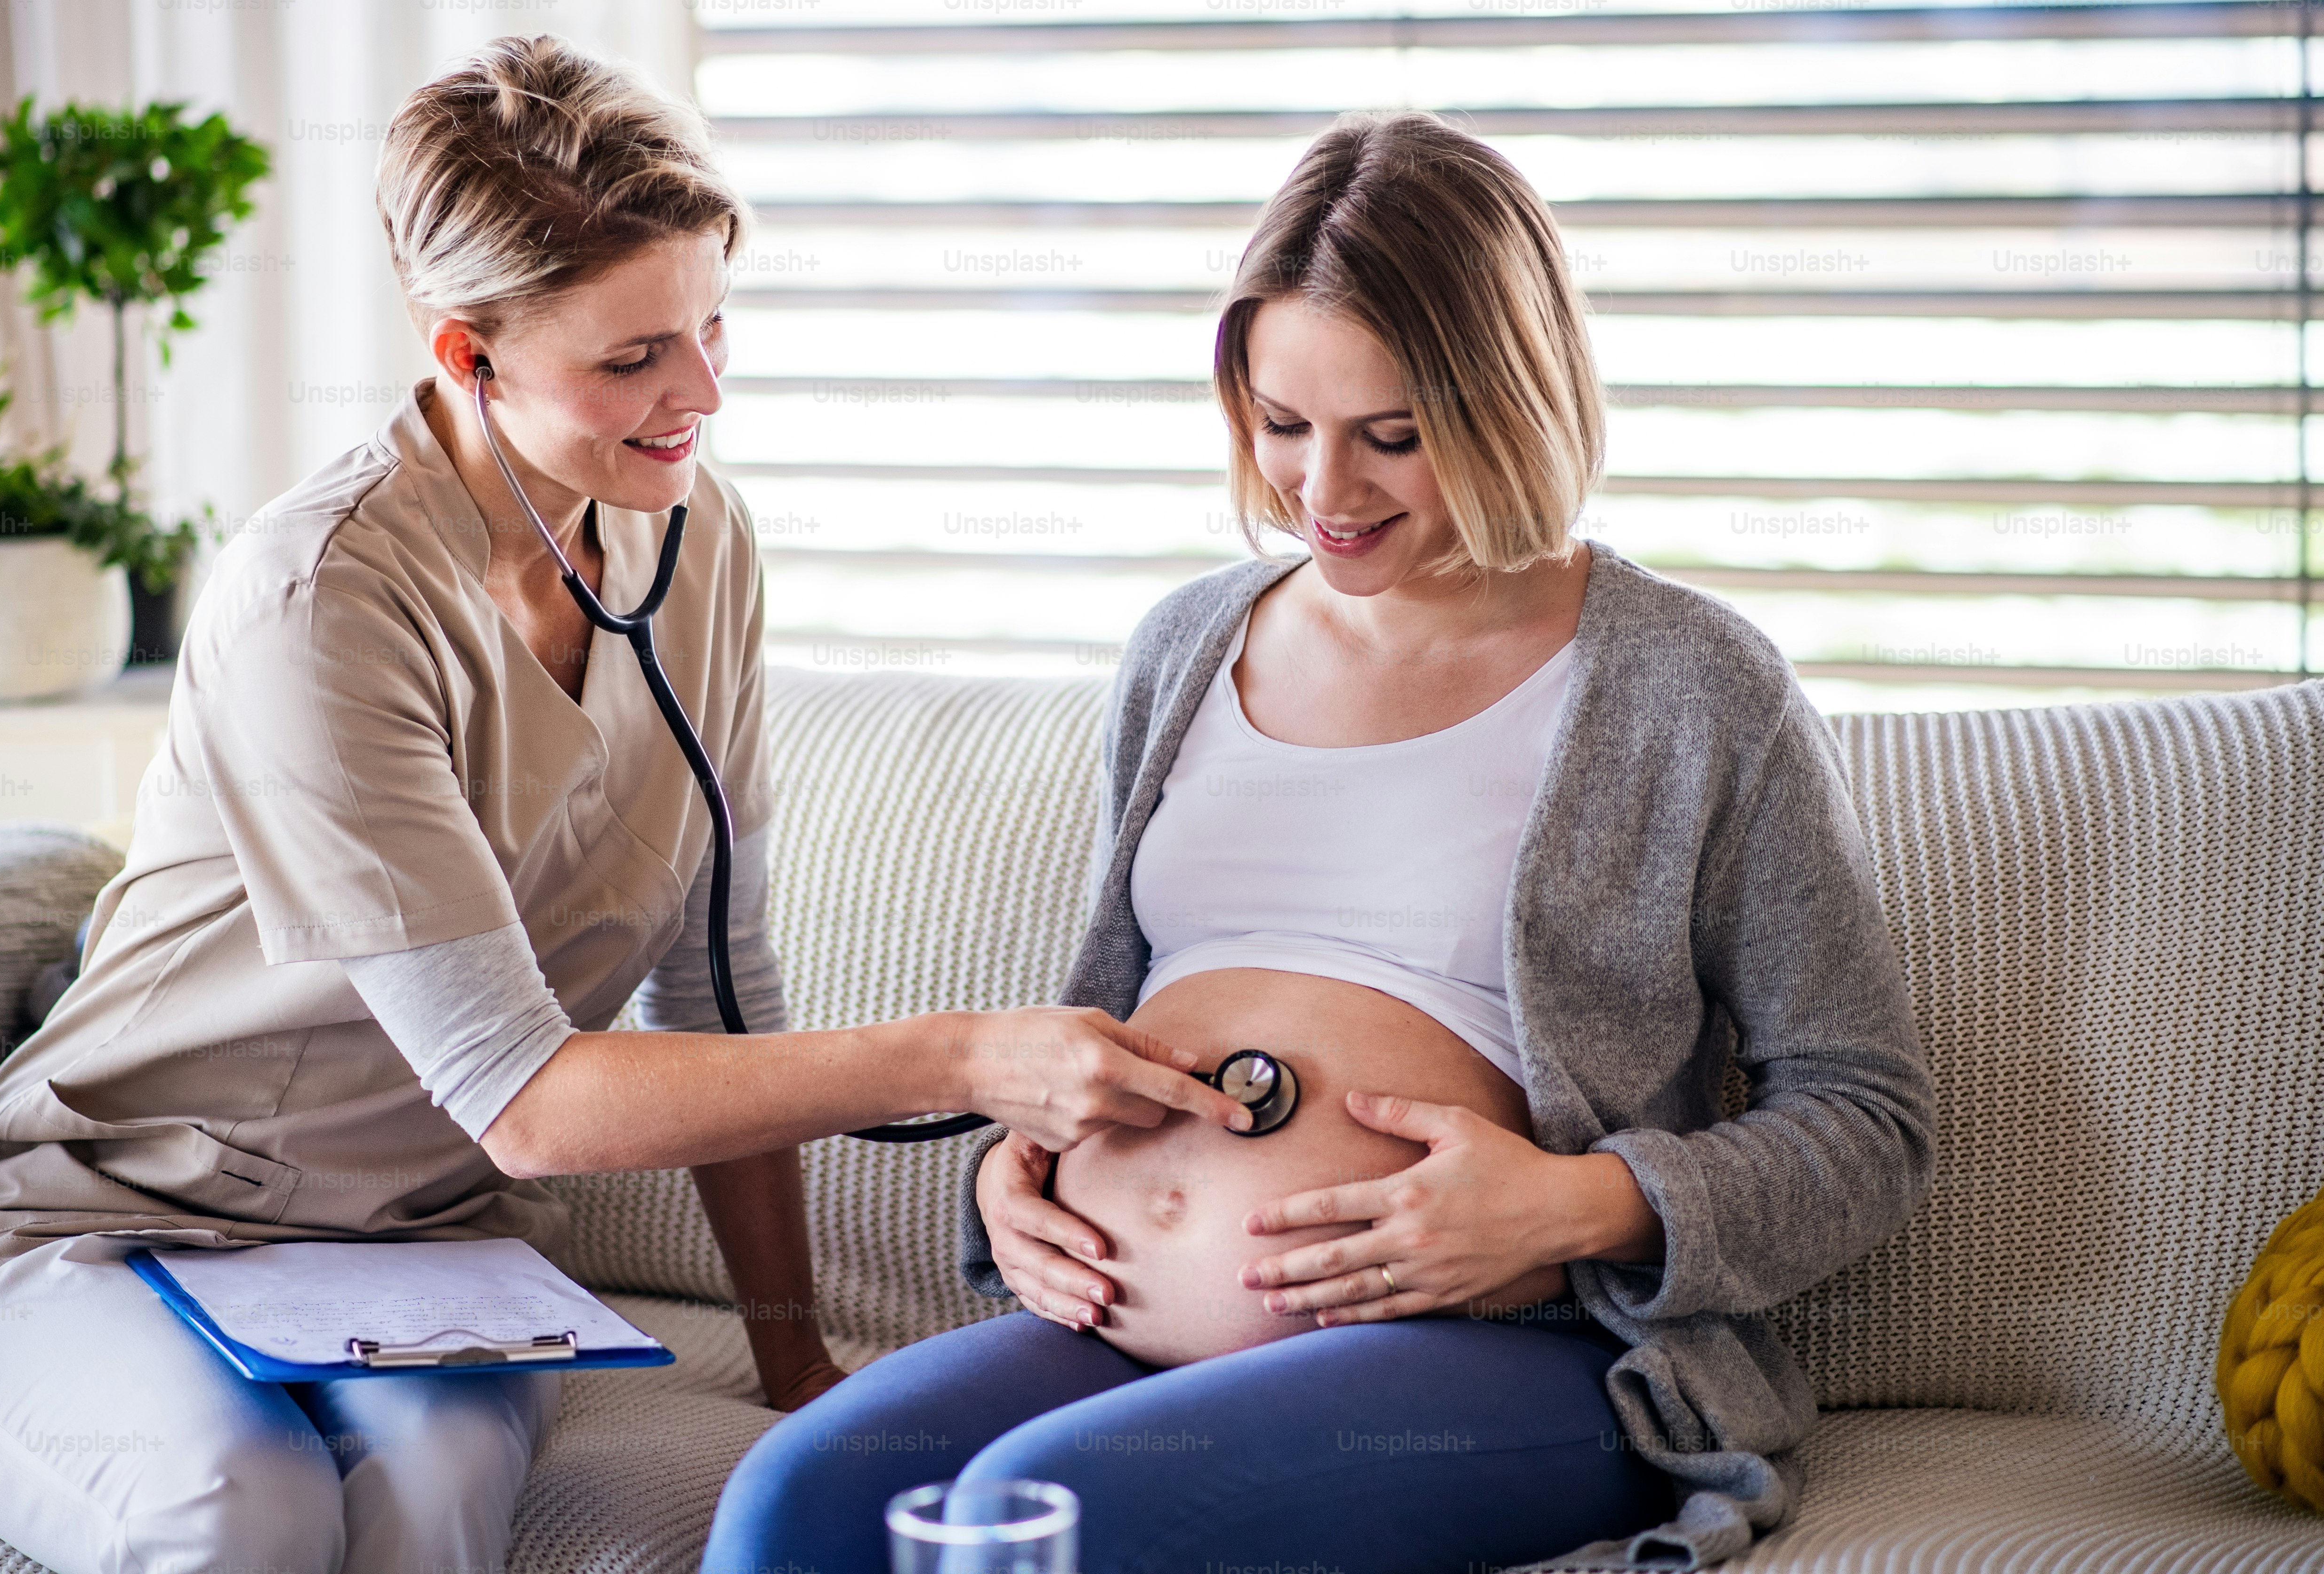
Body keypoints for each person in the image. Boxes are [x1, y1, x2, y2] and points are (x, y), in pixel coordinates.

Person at [0, 36, 1248, 1574]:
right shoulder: (321, 596)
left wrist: (793, 1360)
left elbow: (723, 999)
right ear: (467, 356)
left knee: (439, 1487)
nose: (703, 394)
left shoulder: (699, 541)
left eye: (714, 327)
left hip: (407, 1259)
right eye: (634, 358)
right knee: (237, 1512)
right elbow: (526, 1104)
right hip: (107, 1225)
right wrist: (966, 1058)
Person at [702, 113, 1937, 1574]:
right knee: (797, 1507)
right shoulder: (1186, 647)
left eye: (1392, 438)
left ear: (1512, 403)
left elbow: (1868, 1119)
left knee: (1050, 1517)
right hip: (1113, 1328)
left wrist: (1581, 1202)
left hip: (1509, 1351)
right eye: (1284, 427)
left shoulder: (1691, 686)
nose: (1325, 495)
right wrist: (1016, 1172)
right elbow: (1114, 1021)